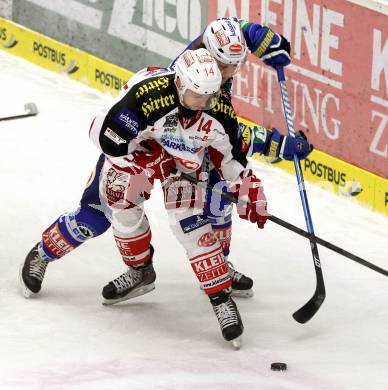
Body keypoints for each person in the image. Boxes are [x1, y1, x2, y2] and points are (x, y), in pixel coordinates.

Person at [21, 17, 297, 302]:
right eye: (224, 65)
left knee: (218, 199)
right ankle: (46, 254)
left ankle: (219, 267)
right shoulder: (188, 73)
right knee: (97, 214)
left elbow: (225, 130)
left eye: (235, 66)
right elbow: (110, 128)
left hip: (186, 153)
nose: (228, 73)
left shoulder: (216, 70)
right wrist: (275, 143)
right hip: (141, 150)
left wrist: (255, 34)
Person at [78, 48, 309, 346]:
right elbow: (103, 134)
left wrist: (248, 190)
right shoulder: (148, 94)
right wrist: (139, 157)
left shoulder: (219, 112)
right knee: (122, 205)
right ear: (180, 85)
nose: (204, 104)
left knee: (191, 226)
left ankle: (221, 298)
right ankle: (139, 272)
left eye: (210, 96)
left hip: (183, 167)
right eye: (197, 95)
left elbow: (232, 159)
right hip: (136, 156)